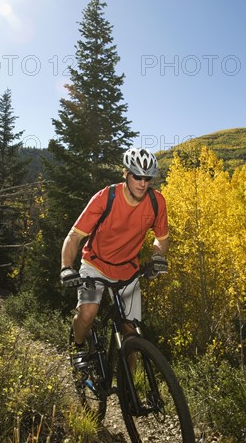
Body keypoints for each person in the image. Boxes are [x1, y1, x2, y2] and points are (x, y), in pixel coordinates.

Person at [60, 147, 169, 365]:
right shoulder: (105, 197)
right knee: (88, 313)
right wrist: (66, 267)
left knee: (131, 333)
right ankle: (79, 348)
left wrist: (158, 256)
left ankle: (129, 392)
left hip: (128, 270)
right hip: (95, 265)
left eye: (147, 178)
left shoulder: (157, 202)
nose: (142, 183)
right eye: (136, 176)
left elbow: (162, 238)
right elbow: (74, 236)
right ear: (125, 173)